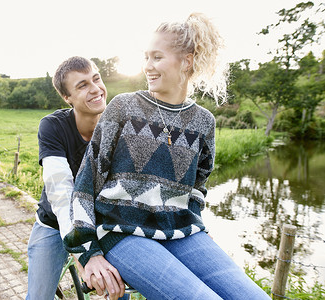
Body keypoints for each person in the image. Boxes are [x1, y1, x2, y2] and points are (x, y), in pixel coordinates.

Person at [63, 13, 271, 300]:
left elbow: (197, 187)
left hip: (182, 231)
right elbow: (86, 183)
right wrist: (88, 253)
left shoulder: (204, 122)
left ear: (186, 61)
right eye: (146, 57)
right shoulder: (123, 107)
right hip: (121, 231)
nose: (147, 66)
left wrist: (195, 221)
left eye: (157, 57)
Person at [25, 56, 126, 300]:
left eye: (96, 79)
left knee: (118, 294)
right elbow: (61, 192)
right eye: (82, 86)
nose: (95, 89)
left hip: (100, 224)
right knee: (38, 296)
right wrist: (83, 253)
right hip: (54, 223)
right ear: (67, 97)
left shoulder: (119, 127)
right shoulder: (53, 126)